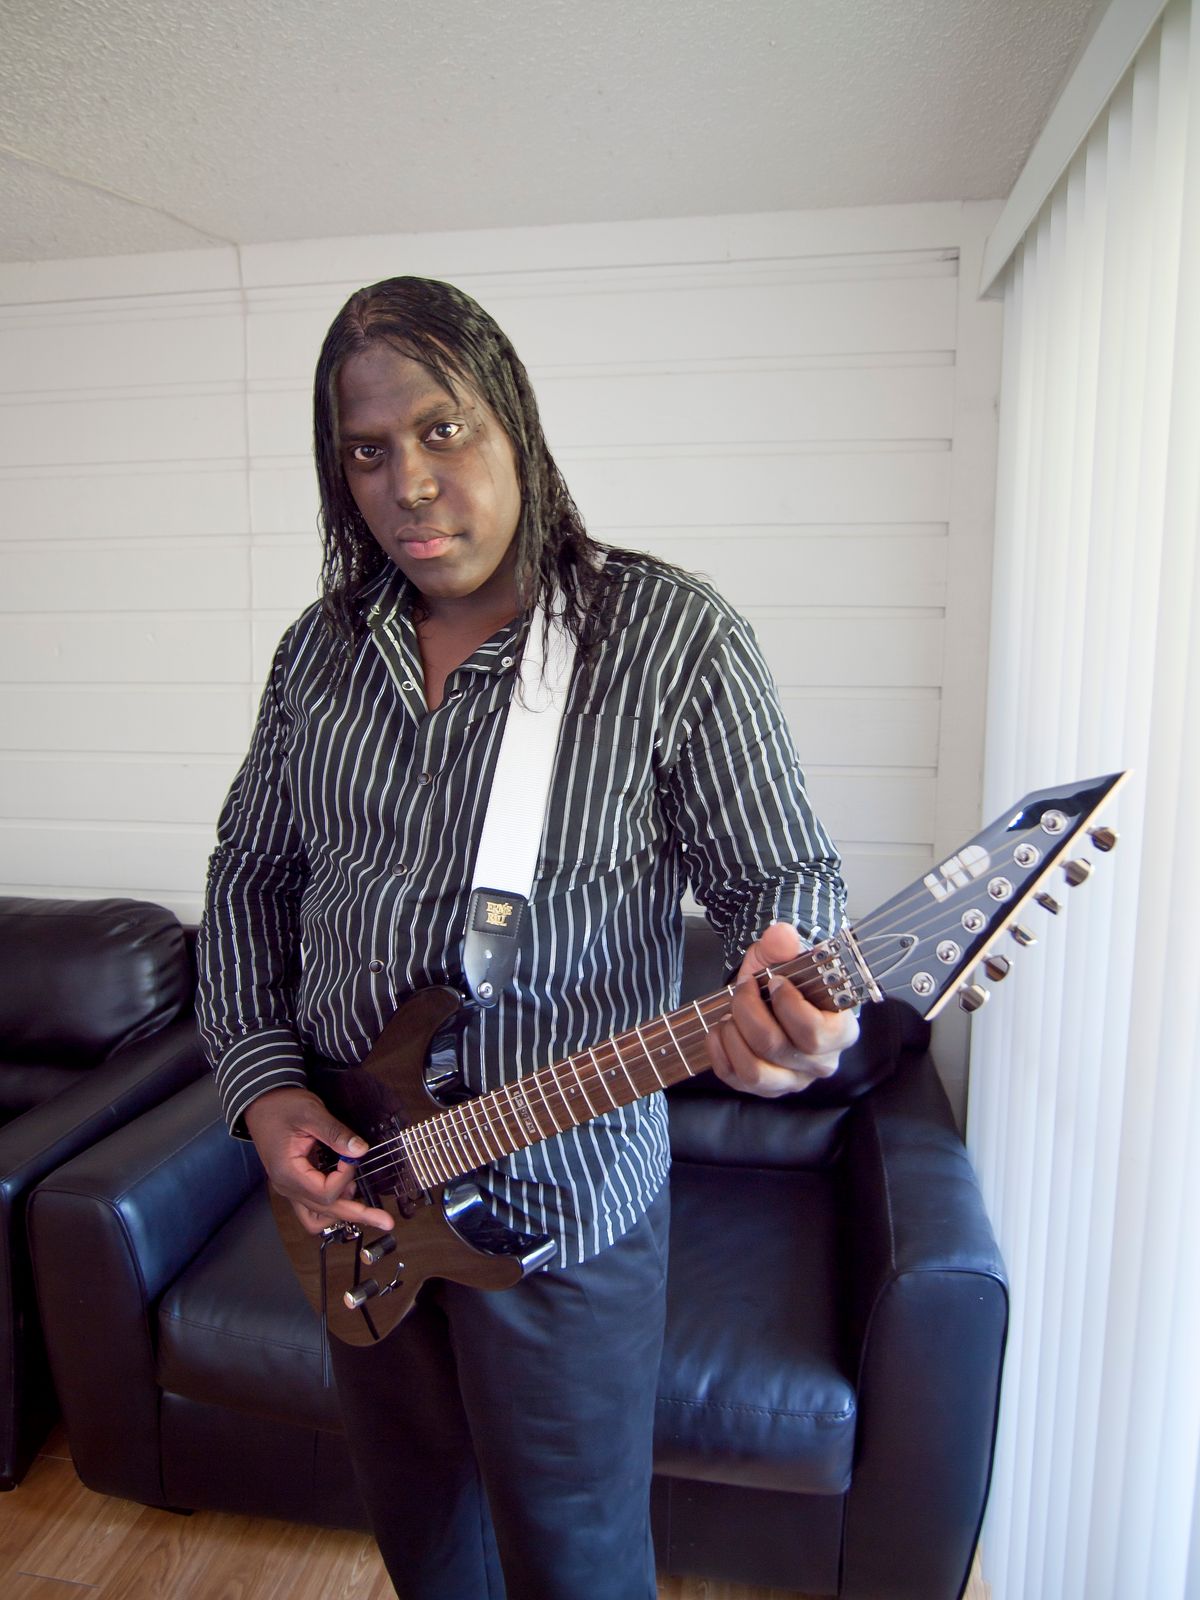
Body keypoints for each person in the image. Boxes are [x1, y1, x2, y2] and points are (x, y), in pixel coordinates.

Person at [196, 276, 858, 1600]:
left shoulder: (667, 636)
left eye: (443, 431)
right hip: (362, 1193)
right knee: (426, 1547)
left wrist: (792, 989)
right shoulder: (317, 655)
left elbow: (780, 876)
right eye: (366, 451)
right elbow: (249, 878)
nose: (408, 484)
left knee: (578, 1564)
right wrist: (265, 1097)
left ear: (518, 428)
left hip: (567, 1208)